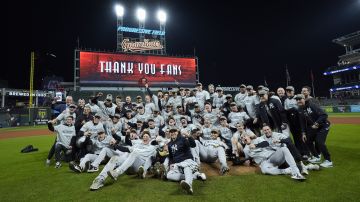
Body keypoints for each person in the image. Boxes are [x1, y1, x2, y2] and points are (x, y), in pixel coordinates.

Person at [295, 94, 333, 168]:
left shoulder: (312, 105)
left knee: (319, 142)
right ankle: (316, 157)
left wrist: (317, 123)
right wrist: (303, 133)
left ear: (304, 99)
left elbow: (324, 114)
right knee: (307, 140)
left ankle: (328, 161)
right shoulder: (299, 109)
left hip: (323, 125)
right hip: (314, 127)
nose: (298, 101)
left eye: (300, 99)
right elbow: (302, 122)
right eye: (297, 99)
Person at [166, 128, 205, 194]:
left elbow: (193, 145)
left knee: (186, 167)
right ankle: (195, 176)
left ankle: (189, 185)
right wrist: (170, 164)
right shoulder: (169, 144)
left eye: (174, 131)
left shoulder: (182, 139)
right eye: (171, 132)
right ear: (169, 134)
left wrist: (189, 136)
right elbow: (171, 156)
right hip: (177, 164)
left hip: (187, 161)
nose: (173, 133)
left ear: (177, 132)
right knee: (169, 175)